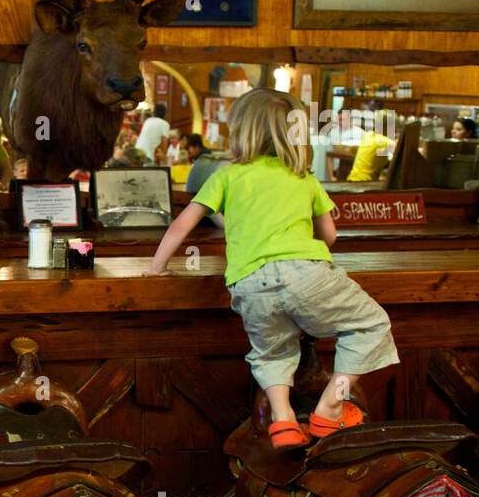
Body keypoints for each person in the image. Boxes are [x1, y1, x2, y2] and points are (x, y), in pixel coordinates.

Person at [146, 89, 398, 449]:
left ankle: (283, 421)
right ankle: (331, 405)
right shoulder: (304, 178)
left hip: (249, 284)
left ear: (242, 133)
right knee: (371, 325)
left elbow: (179, 226)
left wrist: (157, 269)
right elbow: (330, 235)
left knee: (272, 354)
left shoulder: (227, 177)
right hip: (307, 274)